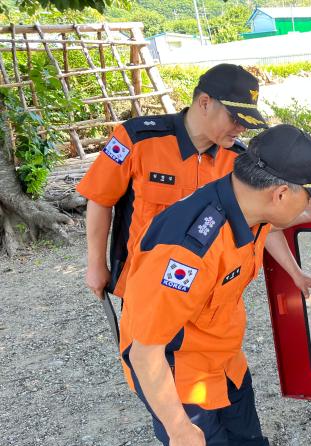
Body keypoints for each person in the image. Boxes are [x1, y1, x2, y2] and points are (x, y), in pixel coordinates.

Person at [119, 124, 311, 446]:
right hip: (180, 378)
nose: (308, 208)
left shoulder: (246, 202)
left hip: (224, 361)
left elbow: (269, 228)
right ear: (280, 193)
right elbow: (145, 352)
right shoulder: (186, 251)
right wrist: (179, 428)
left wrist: (297, 273)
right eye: (307, 198)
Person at [77, 63, 268, 300]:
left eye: (247, 121)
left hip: (207, 293)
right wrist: (96, 265)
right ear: (205, 103)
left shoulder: (238, 160)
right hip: (146, 288)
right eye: (235, 118)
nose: (242, 128)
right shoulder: (136, 139)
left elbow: (263, 218)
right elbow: (100, 198)